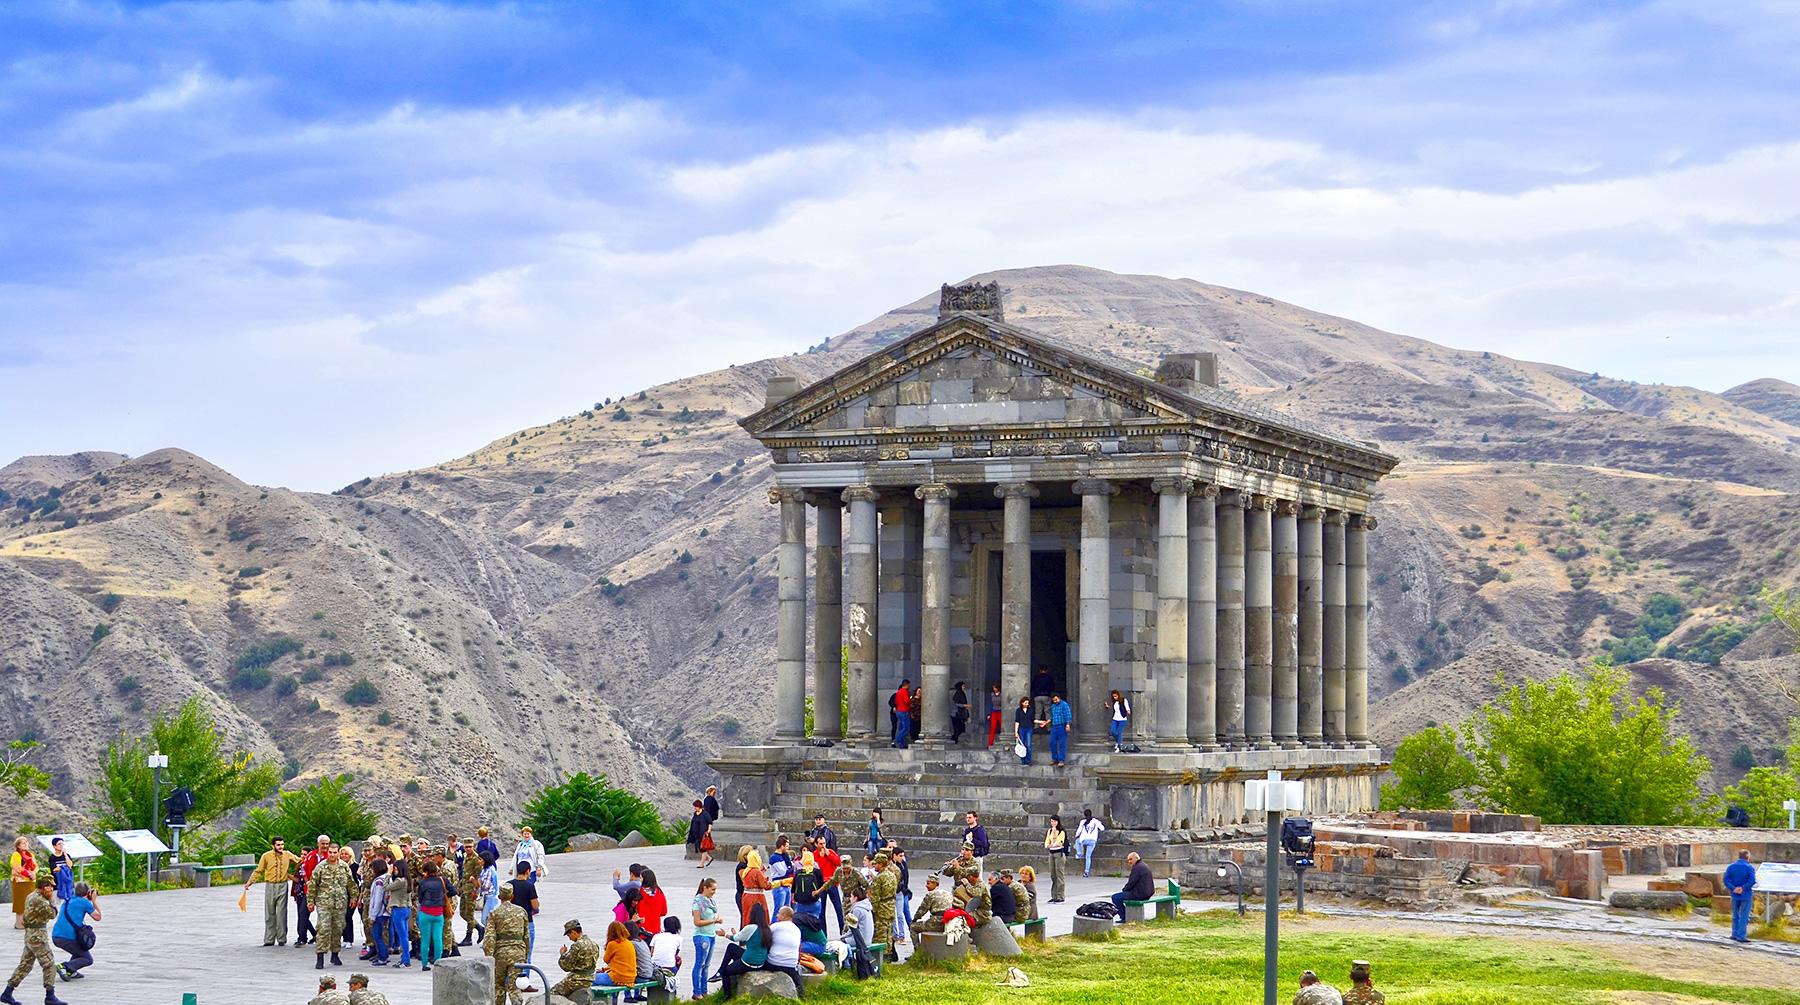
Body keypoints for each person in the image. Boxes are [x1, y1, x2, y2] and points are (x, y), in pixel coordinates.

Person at [0, 875, 63, 1005]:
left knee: (25, 965)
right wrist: (51, 899)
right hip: (38, 937)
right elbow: (52, 914)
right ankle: (50, 995)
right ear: (42, 886)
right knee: (49, 964)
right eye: (49, 886)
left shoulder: (32, 895)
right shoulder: (39, 900)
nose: (51, 889)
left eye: (52, 886)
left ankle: (7, 993)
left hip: (31, 935)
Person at [308, 840, 357, 969]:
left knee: (338, 929)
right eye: (330, 852)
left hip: (340, 903)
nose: (332, 855)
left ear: (338, 853)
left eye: (335, 852)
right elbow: (313, 885)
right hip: (324, 903)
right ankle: (320, 956)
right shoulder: (321, 867)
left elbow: (351, 883)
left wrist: (353, 897)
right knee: (323, 928)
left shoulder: (344, 867)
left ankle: (335, 954)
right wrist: (310, 901)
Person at [245, 835, 301, 946]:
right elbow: (259, 870)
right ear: (273, 845)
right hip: (270, 886)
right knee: (269, 913)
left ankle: (281, 939)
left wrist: (292, 874)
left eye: (282, 844)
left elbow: (300, 861)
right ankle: (269, 939)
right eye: (278, 845)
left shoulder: (287, 854)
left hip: (283, 885)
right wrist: (249, 882)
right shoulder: (266, 856)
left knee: (281, 913)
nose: (281, 847)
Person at [482, 885, 529, 1005]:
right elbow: (526, 936)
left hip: (500, 954)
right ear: (512, 896)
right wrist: (525, 954)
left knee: (498, 986)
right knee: (515, 986)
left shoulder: (494, 913)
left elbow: (489, 937)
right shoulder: (521, 911)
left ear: (499, 897)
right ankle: (517, 1002)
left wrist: (489, 956)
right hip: (518, 952)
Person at [717, 902, 773, 999]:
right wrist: (738, 934)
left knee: (726, 972)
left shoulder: (750, 928)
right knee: (732, 948)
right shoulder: (768, 929)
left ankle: (727, 995)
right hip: (761, 963)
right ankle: (722, 971)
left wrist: (724, 934)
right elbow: (751, 942)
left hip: (749, 963)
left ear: (752, 915)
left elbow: (734, 938)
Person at [49, 881, 97, 980]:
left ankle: (71, 971)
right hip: (67, 938)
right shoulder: (85, 903)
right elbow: (98, 917)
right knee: (87, 959)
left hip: (56, 936)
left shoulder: (68, 900)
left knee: (79, 950)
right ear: (88, 893)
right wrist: (94, 901)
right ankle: (64, 966)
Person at [294, 833, 332, 949]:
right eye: (323, 843)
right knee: (303, 913)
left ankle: (325, 938)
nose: (325, 846)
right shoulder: (311, 855)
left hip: (325, 891)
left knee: (325, 915)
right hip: (310, 890)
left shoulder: (331, 856)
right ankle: (302, 938)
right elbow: (303, 869)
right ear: (318, 844)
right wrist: (307, 882)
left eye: (327, 844)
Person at [691, 877, 725, 1000]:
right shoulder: (698, 902)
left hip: (711, 935)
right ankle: (697, 992)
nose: (714, 892)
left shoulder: (710, 901)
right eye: (712, 889)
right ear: (705, 888)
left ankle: (704, 991)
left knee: (706, 965)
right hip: (702, 936)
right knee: (699, 964)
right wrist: (714, 921)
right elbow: (697, 922)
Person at [552, 919, 600, 999]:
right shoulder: (594, 944)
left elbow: (566, 967)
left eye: (569, 935)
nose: (569, 938)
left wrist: (562, 955)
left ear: (573, 932)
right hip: (590, 979)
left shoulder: (577, 945)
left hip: (577, 980)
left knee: (551, 994)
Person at [415, 860, 449, 971]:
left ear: (426, 871)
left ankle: (425, 964)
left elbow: (420, 898)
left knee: (425, 939)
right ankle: (437, 962)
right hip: (438, 913)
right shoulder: (442, 880)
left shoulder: (423, 882)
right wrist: (443, 896)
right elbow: (453, 891)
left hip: (425, 913)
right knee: (438, 939)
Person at [766, 907, 807, 996]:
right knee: (798, 982)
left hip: (773, 963)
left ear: (784, 916)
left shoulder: (775, 926)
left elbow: (765, 937)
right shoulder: (797, 930)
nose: (777, 915)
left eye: (779, 913)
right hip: (790, 965)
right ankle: (802, 996)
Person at [868, 853, 898, 961]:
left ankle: (881, 957)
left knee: (880, 934)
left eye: (876, 864)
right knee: (889, 932)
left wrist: (873, 910)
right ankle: (889, 954)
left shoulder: (879, 878)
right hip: (890, 907)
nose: (874, 866)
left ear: (881, 864)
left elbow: (875, 897)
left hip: (881, 909)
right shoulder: (892, 875)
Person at [507, 862, 540, 957]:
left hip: (511, 922)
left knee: (513, 953)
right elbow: (535, 906)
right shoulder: (529, 886)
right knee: (527, 954)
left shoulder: (509, 885)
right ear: (528, 871)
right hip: (527, 921)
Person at [1725, 849, 1757, 944]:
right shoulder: (1749, 867)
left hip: (1734, 894)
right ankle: (1741, 935)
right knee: (1744, 915)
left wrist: (1733, 888)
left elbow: (1726, 880)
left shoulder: (1731, 867)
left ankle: (1734, 933)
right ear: (1748, 857)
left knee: (1735, 915)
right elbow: (1752, 880)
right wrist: (1743, 888)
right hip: (1746, 894)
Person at [1111, 851, 1153, 922]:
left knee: (1115, 897)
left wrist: (1124, 890)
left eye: (1131, 859)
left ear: (1136, 858)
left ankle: (1124, 917)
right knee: (1121, 896)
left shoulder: (1137, 868)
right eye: (1128, 860)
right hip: (1147, 893)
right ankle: (1125, 916)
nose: (1129, 862)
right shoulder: (1144, 865)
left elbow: (1131, 883)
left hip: (1139, 894)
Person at [596, 920, 638, 990]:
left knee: (591, 979)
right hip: (631, 978)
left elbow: (606, 960)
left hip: (618, 977)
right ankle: (613, 997)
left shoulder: (612, 944)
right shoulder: (629, 943)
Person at [385, 861, 412, 968]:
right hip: (406, 908)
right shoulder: (408, 880)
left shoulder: (400, 881)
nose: (394, 871)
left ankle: (406, 959)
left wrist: (388, 874)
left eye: (395, 869)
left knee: (402, 936)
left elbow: (385, 887)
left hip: (398, 909)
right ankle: (405, 958)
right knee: (404, 935)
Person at [364, 859, 390, 966]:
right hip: (384, 912)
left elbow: (378, 899)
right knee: (380, 935)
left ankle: (383, 957)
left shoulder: (379, 881)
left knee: (377, 935)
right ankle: (381, 955)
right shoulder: (386, 878)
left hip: (380, 913)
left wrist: (373, 915)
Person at [8, 838, 36, 932]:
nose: (25, 844)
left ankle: (27, 922)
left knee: (29, 902)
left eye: (26, 842)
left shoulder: (30, 855)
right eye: (23, 843)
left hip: (30, 881)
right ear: (18, 846)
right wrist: (28, 874)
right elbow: (17, 867)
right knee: (20, 903)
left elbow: (36, 866)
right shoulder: (16, 854)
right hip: (19, 881)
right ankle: (19, 924)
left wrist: (33, 873)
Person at [739, 850, 772, 927]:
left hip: (746, 896)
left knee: (747, 915)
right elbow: (765, 885)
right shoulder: (757, 872)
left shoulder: (746, 871)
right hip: (757, 897)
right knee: (760, 916)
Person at [1043, 814, 1068, 903]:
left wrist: (1054, 836)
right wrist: (1050, 845)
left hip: (1059, 853)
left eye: (1054, 821)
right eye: (1051, 821)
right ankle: (1054, 895)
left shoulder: (1061, 831)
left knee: (1059, 875)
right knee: (1053, 875)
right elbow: (1047, 843)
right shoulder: (1049, 831)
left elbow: (1058, 843)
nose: (1053, 823)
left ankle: (1060, 896)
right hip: (1051, 853)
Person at [1074, 810, 1105, 877]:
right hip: (1092, 841)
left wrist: (1076, 835)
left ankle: (1079, 853)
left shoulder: (1083, 821)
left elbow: (1079, 830)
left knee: (1077, 841)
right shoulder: (1096, 821)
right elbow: (1102, 828)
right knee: (1088, 856)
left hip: (1084, 840)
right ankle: (1086, 872)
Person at [650, 916, 682, 982]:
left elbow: (651, 953)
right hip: (669, 967)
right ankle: (672, 976)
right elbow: (675, 954)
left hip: (654, 966)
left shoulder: (657, 936)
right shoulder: (679, 938)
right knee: (679, 960)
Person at [637, 868, 667, 935]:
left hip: (641, 929)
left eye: (641, 878)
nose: (639, 880)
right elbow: (664, 912)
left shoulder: (639, 893)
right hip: (655, 929)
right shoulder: (660, 893)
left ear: (645, 879)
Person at [1047, 693, 1073, 765]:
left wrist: (1068, 724)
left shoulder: (1064, 704)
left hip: (1062, 725)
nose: (1055, 701)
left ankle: (1061, 760)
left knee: (1062, 743)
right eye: (1053, 700)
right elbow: (1052, 717)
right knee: (1052, 743)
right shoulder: (1053, 706)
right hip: (1054, 726)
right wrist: (1046, 722)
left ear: (1059, 698)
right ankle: (1054, 758)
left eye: (1056, 699)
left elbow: (1068, 714)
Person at [686, 801, 714, 867]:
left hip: (703, 834)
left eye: (696, 806)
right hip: (696, 834)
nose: (695, 808)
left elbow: (710, 822)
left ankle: (701, 864)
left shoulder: (705, 814)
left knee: (703, 849)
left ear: (699, 806)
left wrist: (708, 831)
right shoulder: (695, 814)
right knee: (700, 848)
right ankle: (709, 858)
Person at [962, 813, 989, 877]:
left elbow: (984, 843)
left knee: (977, 876)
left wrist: (972, 840)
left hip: (977, 856)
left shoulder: (980, 830)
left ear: (975, 818)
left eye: (970, 817)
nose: (968, 819)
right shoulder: (967, 830)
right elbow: (964, 843)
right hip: (968, 857)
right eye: (967, 817)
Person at [44, 842, 70, 908]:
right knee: (57, 905)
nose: (61, 845)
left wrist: (65, 854)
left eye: (62, 844)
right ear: (54, 846)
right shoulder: (52, 857)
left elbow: (70, 865)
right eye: (59, 844)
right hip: (57, 883)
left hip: (67, 883)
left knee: (67, 904)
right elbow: (54, 869)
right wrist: (64, 866)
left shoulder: (67, 856)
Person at [1014, 697, 1036, 765]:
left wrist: (1040, 722)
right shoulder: (1018, 710)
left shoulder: (1031, 710)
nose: (1027, 704)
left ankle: (1028, 760)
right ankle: (1023, 760)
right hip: (1021, 728)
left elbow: (1033, 720)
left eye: (1028, 703)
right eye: (1025, 703)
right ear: (1022, 703)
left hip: (1029, 728)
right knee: (1022, 744)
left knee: (1028, 744)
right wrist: (1016, 732)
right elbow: (1017, 721)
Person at [892, 680, 913, 749]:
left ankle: (902, 744)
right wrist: (911, 699)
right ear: (907, 684)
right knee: (906, 728)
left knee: (901, 728)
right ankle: (897, 740)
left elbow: (896, 702)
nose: (910, 686)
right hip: (904, 711)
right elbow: (907, 701)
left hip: (899, 711)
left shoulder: (898, 692)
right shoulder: (905, 691)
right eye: (909, 685)